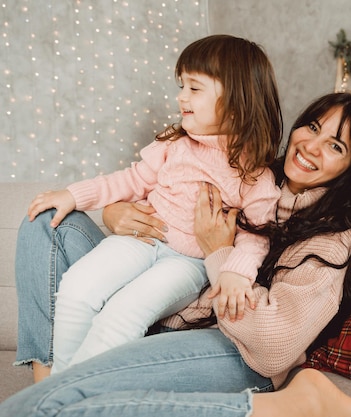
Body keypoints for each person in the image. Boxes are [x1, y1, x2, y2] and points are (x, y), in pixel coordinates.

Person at [4, 92, 351, 417]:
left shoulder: (332, 238)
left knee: (66, 399)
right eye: (313, 127)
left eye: (336, 147)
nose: (311, 146)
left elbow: (276, 346)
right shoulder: (250, 171)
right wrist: (116, 212)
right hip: (160, 303)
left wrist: (219, 251)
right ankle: (49, 384)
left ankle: (52, 400)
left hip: (232, 344)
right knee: (47, 223)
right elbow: (157, 189)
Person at [24, 34, 283, 374]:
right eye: (181, 86)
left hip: (187, 264)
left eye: (194, 88)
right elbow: (129, 181)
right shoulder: (173, 145)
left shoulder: (254, 176)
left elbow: (256, 236)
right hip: (141, 240)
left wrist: (236, 273)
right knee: (76, 288)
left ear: (236, 100)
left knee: (123, 313)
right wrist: (74, 194)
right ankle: (59, 392)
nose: (181, 97)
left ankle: (72, 398)